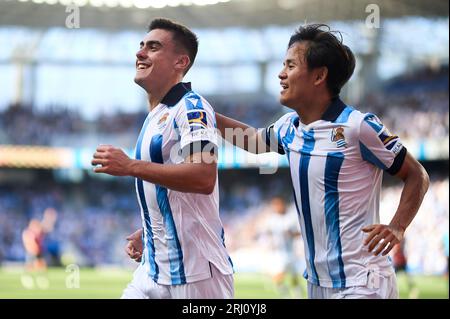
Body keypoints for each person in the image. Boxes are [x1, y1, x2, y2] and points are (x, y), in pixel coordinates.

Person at [215, 24, 430, 299]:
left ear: (319, 76)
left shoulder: (358, 127)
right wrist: (207, 114)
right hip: (317, 284)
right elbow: (254, 140)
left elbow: (417, 175)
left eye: (290, 65)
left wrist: (397, 226)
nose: (281, 74)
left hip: (362, 281)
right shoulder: (288, 127)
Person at [91, 18, 233, 299]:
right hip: (153, 269)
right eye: (141, 46)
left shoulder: (192, 107)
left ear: (180, 62)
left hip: (196, 277)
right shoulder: (157, 114)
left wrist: (130, 166)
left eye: (153, 47)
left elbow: (203, 176)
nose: (140, 53)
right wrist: (148, 231)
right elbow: (176, 197)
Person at [260, 197, 304, 298]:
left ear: (282, 205)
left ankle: (297, 294)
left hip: (291, 252)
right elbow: (268, 233)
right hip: (279, 253)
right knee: (278, 276)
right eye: (275, 205)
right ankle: (286, 295)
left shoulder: (290, 218)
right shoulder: (272, 220)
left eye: (278, 205)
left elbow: (298, 233)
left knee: (293, 277)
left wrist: (291, 234)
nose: (276, 207)